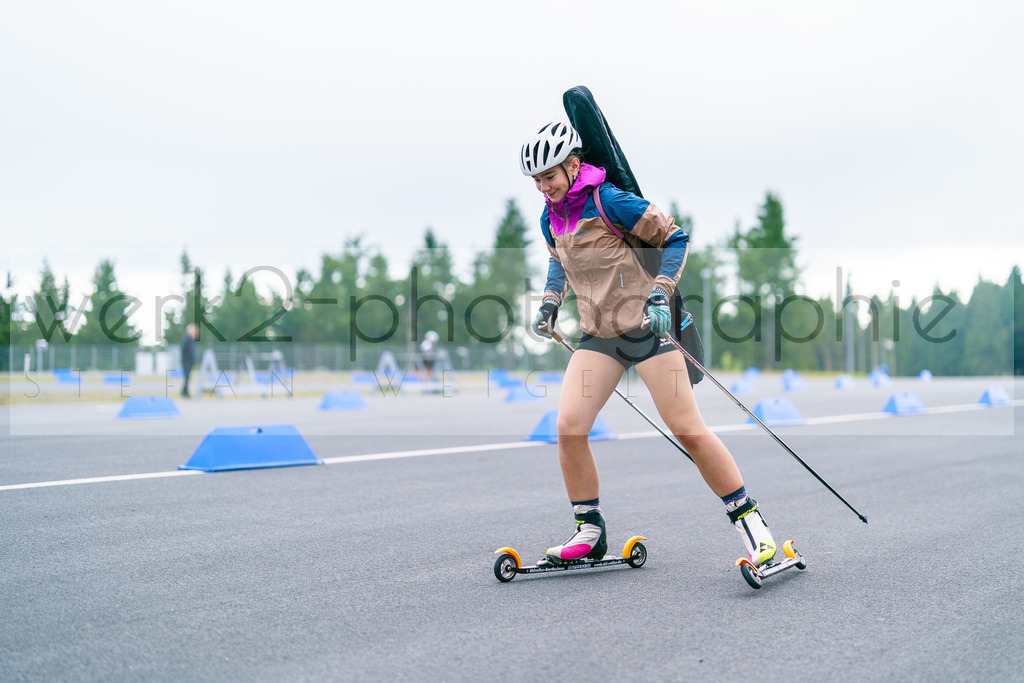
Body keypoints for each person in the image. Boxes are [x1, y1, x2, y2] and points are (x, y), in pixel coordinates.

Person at [521, 121, 778, 568]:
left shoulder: (612, 201)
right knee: (569, 427)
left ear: (573, 166)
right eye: (536, 180)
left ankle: (753, 525)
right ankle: (589, 531)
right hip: (599, 335)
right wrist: (550, 301)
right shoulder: (550, 217)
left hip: (648, 329)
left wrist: (660, 292)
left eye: (549, 176)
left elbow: (675, 238)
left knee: (688, 430)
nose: (543, 187)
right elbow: (558, 262)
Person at [180, 324, 199, 398]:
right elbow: (184, 351)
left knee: (188, 377)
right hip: (186, 361)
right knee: (187, 377)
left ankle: (184, 391)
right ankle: (185, 392)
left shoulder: (193, 340)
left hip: (190, 361)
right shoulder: (186, 340)